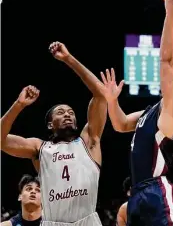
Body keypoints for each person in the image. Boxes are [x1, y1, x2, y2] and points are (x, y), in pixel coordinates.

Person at [100, 0, 173, 226]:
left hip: (157, 193)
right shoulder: (152, 111)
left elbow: (167, 62)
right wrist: (111, 101)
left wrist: (171, 13)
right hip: (139, 193)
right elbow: (118, 124)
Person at [1, 42, 108, 226]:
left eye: (71, 112)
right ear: (50, 124)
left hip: (88, 221)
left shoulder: (89, 140)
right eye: (60, 112)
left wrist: (68, 59)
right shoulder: (39, 148)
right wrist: (18, 105)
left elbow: (100, 95)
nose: (67, 114)